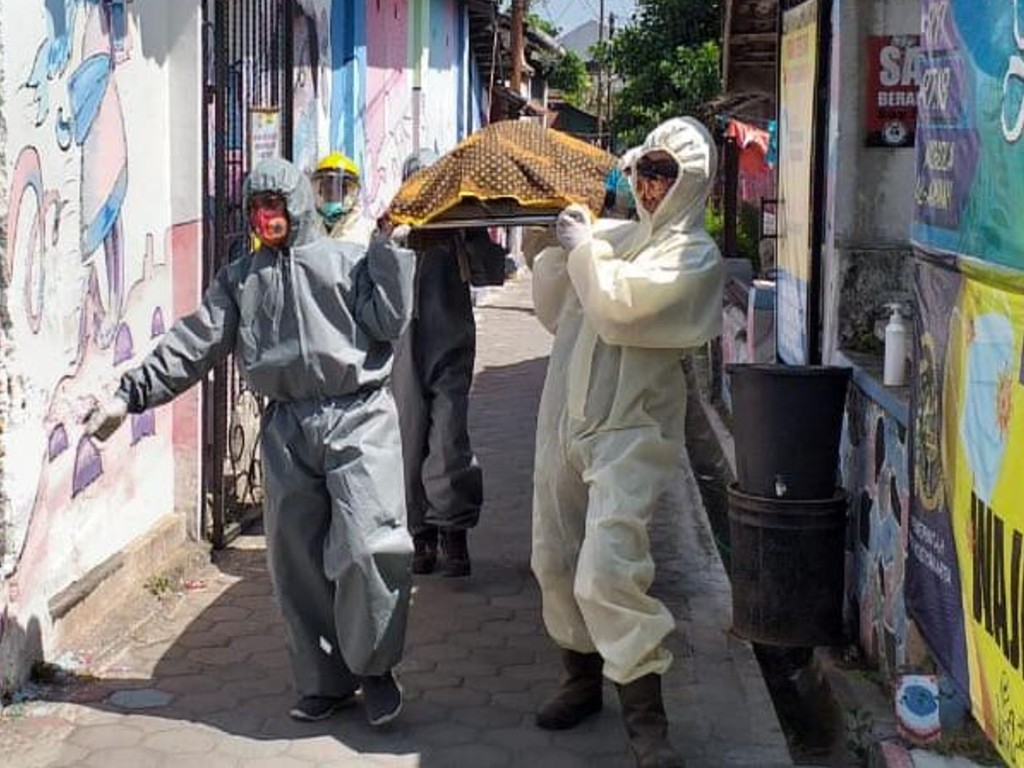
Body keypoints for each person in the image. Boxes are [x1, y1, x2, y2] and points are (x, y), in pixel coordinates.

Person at [83, 158, 416, 727]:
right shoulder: (242, 281)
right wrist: (130, 394)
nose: (267, 218)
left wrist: (390, 255)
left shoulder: (348, 260)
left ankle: (376, 669)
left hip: (359, 415)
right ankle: (325, 680)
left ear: (298, 207)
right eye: (257, 208)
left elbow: (389, 323)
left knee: (369, 546)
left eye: (276, 206)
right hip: (287, 425)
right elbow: (195, 342)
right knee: (295, 561)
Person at [529, 117, 724, 768]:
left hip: (631, 432)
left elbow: (618, 311)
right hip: (569, 419)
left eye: (665, 175)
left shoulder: (693, 259)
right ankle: (579, 679)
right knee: (553, 559)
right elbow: (558, 311)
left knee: (608, 571)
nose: (649, 185)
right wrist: (552, 249)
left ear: (691, 183)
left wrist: (584, 249)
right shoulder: (614, 235)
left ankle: (648, 727)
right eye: (645, 169)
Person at [390, 149, 503, 577]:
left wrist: (472, 231)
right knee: (409, 438)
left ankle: (454, 532)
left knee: (449, 439)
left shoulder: (457, 229)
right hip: (404, 349)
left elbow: (492, 273)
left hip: (451, 346)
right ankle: (421, 536)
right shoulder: (397, 230)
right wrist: (392, 242)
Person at [311, 150, 374, 245]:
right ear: (319, 191)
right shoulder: (308, 230)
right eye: (328, 190)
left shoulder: (368, 232)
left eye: (338, 190)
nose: (332, 194)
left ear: (350, 193)